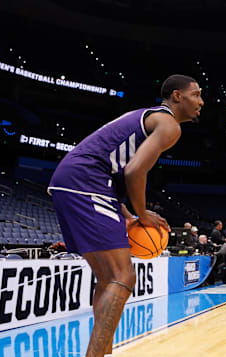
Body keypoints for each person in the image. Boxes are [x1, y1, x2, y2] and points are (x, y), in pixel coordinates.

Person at [47, 74, 202, 357]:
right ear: (177, 96)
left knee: (108, 279)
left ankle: (102, 353)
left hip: (71, 180)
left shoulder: (146, 116)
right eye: (196, 94)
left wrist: (128, 215)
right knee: (124, 276)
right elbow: (133, 171)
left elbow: (115, 169)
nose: (201, 102)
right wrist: (143, 214)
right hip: (86, 181)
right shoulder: (169, 125)